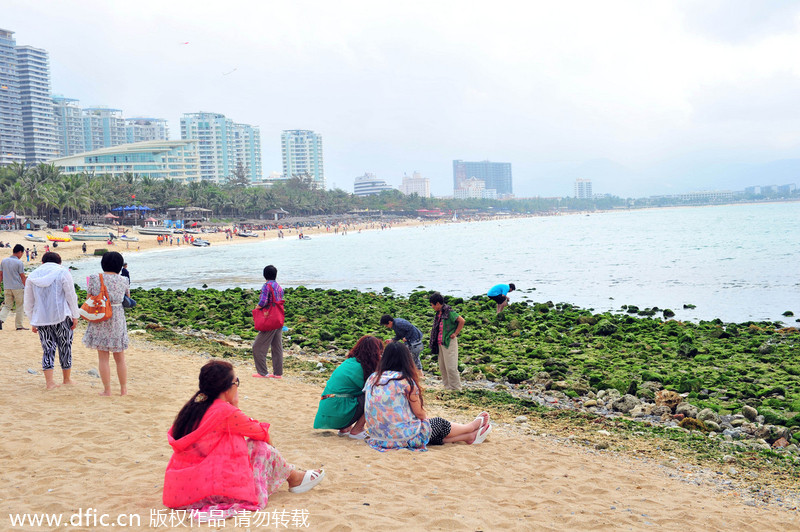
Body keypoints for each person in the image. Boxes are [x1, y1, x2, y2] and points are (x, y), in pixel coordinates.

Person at [163, 360, 325, 520]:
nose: (238, 386)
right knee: (260, 446)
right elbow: (261, 433)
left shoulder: (193, 407)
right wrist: (235, 405)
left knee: (242, 444)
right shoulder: (224, 411)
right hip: (203, 491)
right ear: (227, 387)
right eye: (237, 382)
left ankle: (293, 475)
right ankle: (294, 477)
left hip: (178, 491)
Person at [363, 342, 491, 452]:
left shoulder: (373, 378)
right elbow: (420, 413)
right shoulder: (404, 381)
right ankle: (470, 427)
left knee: (429, 431)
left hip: (378, 436)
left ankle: (469, 437)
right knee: (437, 424)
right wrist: (424, 420)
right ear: (406, 360)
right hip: (399, 438)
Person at [23, 252, 80, 390]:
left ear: (42, 262)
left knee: (47, 349)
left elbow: (28, 302)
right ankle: (66, 379)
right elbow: (71, 296)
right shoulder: (62, 272)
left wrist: (33, 321)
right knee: (65, 347)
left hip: (42, 319)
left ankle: (49, 383)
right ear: (59, 262)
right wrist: (75, 315)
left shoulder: (32, 275)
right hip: (62, 316)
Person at [313, 335, 383, 439]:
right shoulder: (363, 368)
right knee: (375, 396)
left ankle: (344, 429)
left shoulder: (349, 362)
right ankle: (357, 430)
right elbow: (374, 389)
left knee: (347, 393)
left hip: (327, 411)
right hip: (338, 413)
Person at [82, 251, 130, 396]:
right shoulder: (124, 280)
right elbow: (127, 298)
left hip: (100, 316)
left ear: (103, 264)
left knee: (103, 358)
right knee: (120, 358)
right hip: (117, 317)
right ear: (120, 266)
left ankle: (107, 390)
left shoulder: (95, 278)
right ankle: (123, 390)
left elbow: (89, 297)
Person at [252, 265, 284, 379]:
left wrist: (256, 309)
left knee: (257, 346)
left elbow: (263, 301)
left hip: (269, 319)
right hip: (278, 318)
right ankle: (277, 373)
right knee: (277, 347)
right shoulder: (279, 287)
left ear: (264, 275)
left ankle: (262, 372)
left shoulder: (267, 286)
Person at [429, 292, 465, 391]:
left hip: (449, 341)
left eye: (432, 304)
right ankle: (447, 387)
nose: (432, 307)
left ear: (437, 304)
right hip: (440, 342)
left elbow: (462, 321)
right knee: (443, 366)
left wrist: (455, 333)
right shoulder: (438, 314)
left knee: (451, 367)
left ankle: (456, 388)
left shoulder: (449, 312)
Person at [0, 244, 28, 330]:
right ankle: (19, 326)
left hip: (7, 287)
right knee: (20, 306)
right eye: (22, 254)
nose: (21, 255)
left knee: (7, 305)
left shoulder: (4, 261)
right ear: (20, 252)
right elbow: (22, 276)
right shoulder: (19, 262)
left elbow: (1, 275)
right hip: (18, 287)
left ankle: (0, 319)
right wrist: (26, 286)